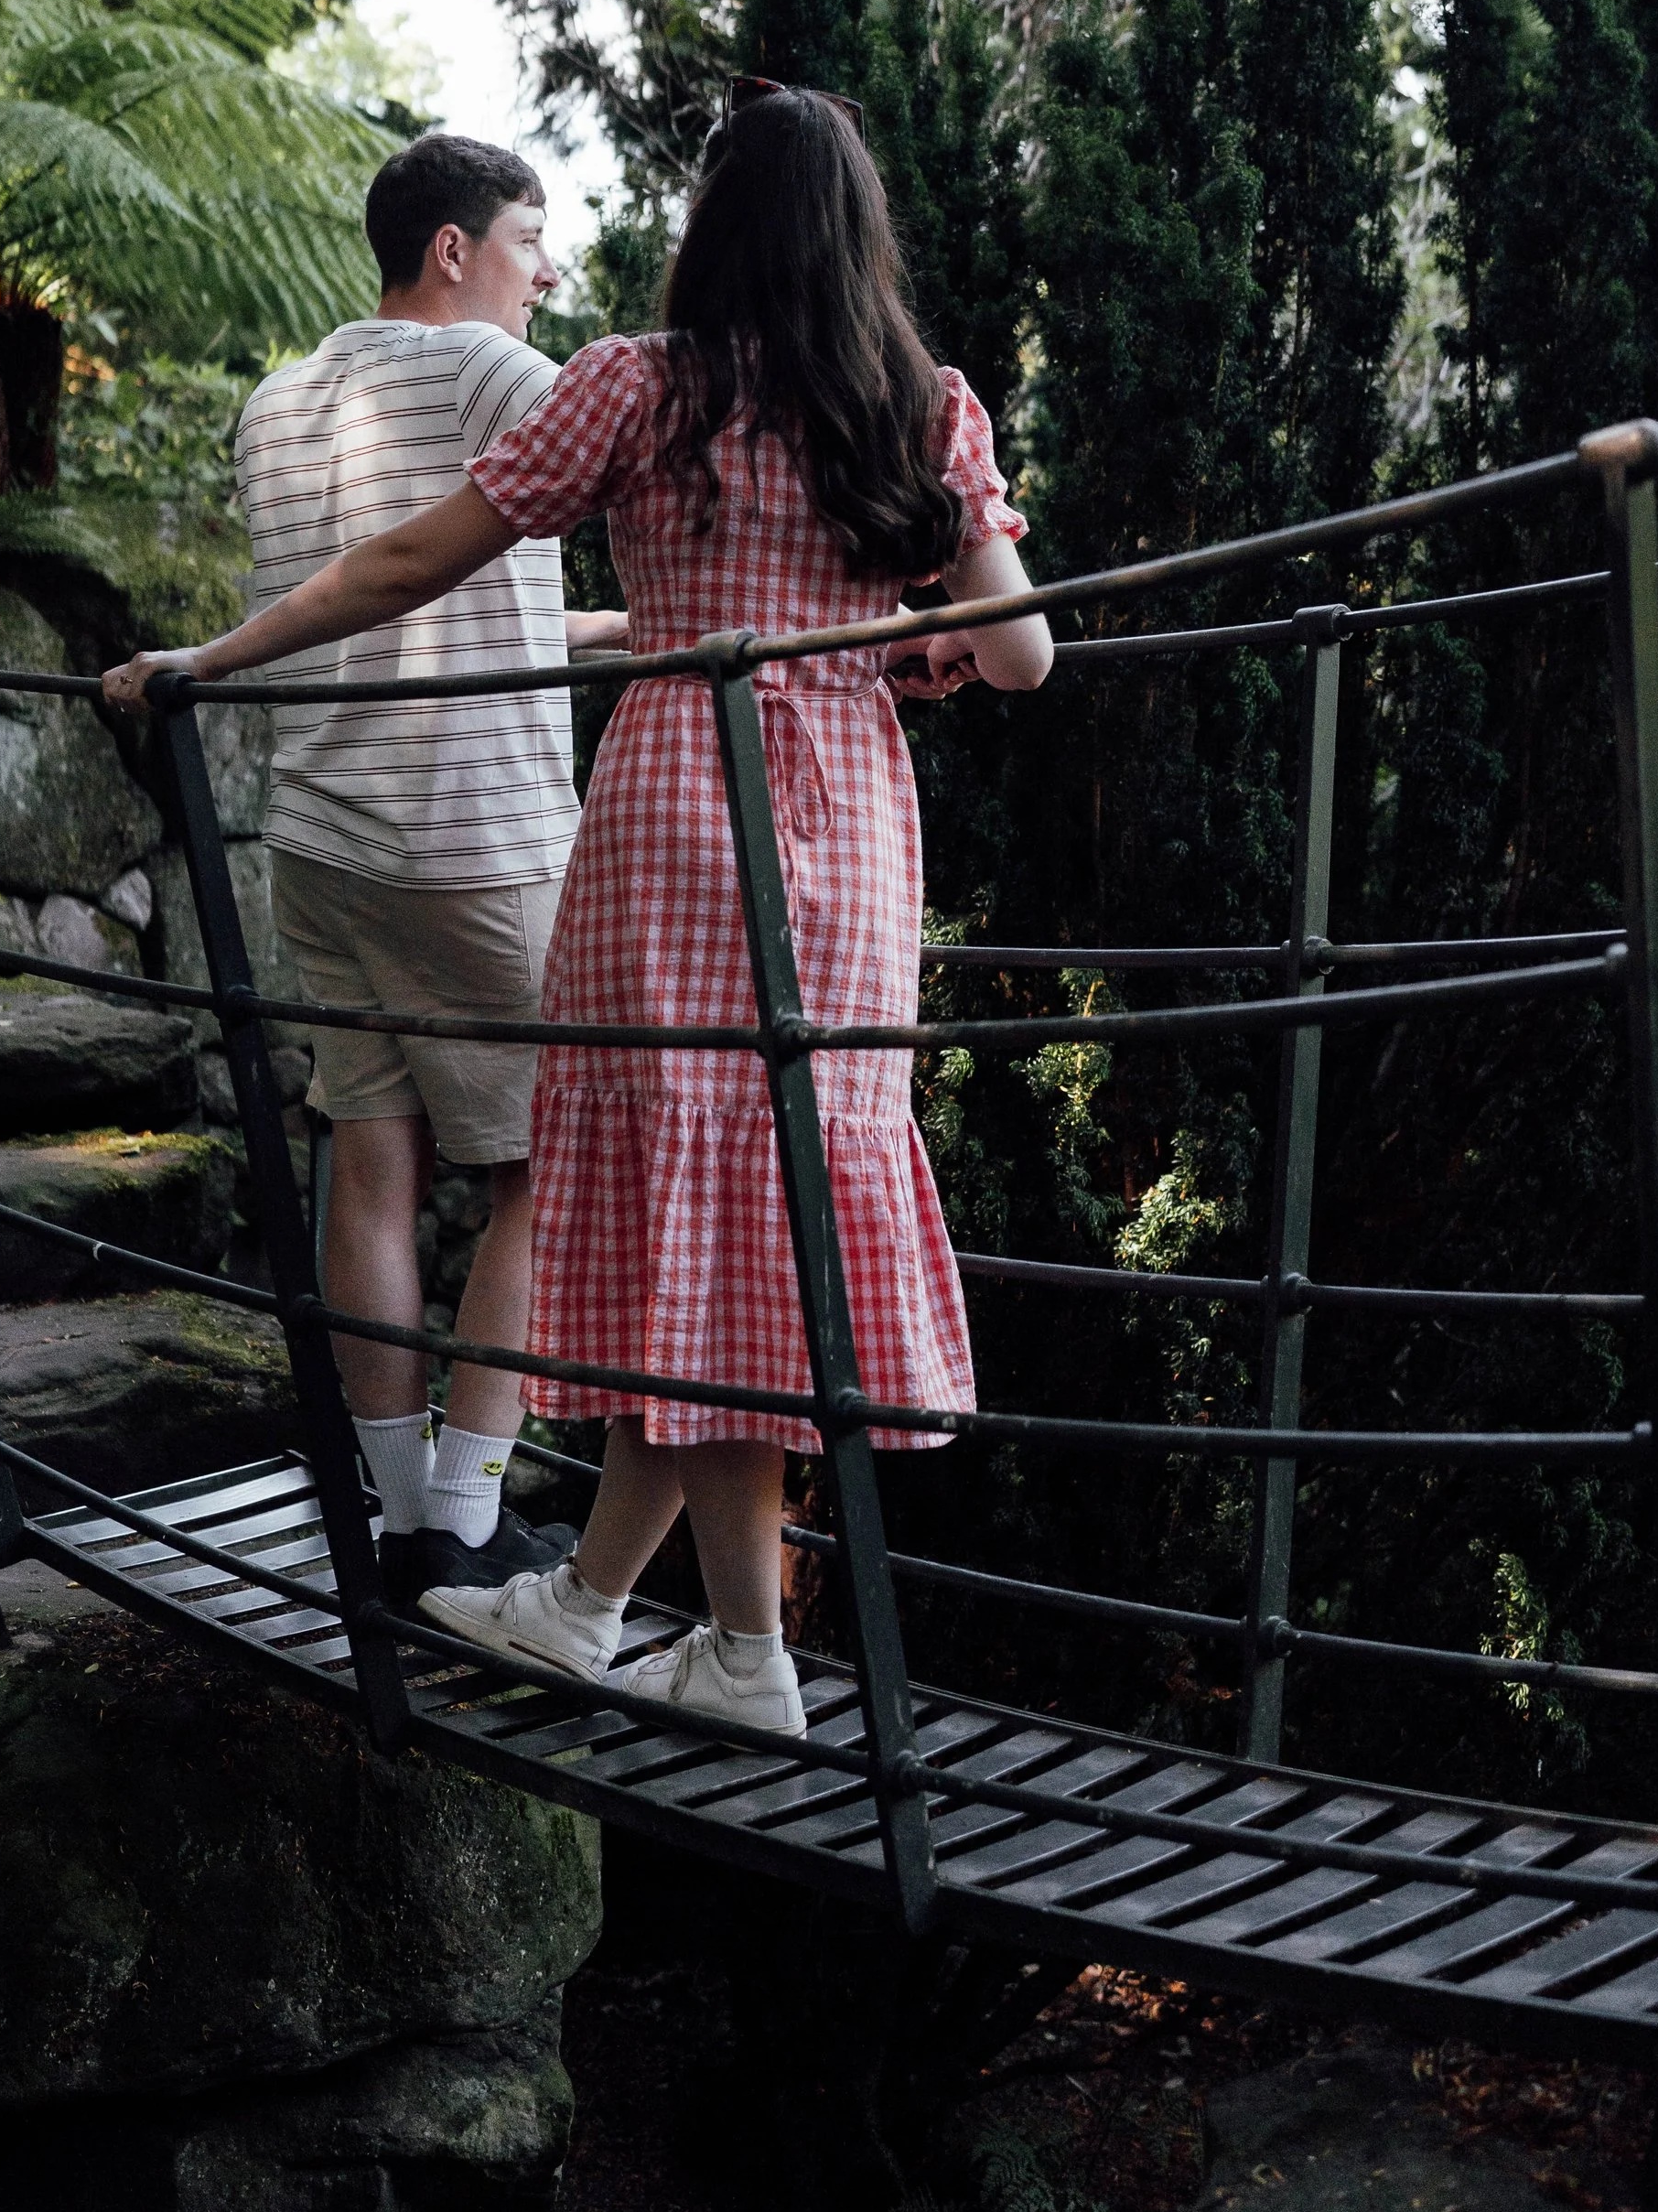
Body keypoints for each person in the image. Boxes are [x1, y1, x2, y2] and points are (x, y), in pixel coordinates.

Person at [106, 86, 1051, 1737]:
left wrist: (216, 659)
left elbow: (408, 565)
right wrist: (880, 651)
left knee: (689, 1201)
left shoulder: (639, 386)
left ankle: (630, 1616)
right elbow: (1023, 654)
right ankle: (698, 1638)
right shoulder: (924, 405)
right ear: (860, 235)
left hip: (677, 811)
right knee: (768, 1207)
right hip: (850, 836)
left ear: (714, 226)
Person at [155, 130, 625, 1609]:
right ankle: (466, 1522)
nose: (546, 274)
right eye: (528, 243)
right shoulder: (497, 374)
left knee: (371, 1157)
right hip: (473, 841)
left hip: (322, 836)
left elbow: (400, 602)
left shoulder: (279, 403)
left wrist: (629, 636)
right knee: (552, 1164)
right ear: (452, 248)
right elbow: (438, 568)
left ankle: (395, 1507)